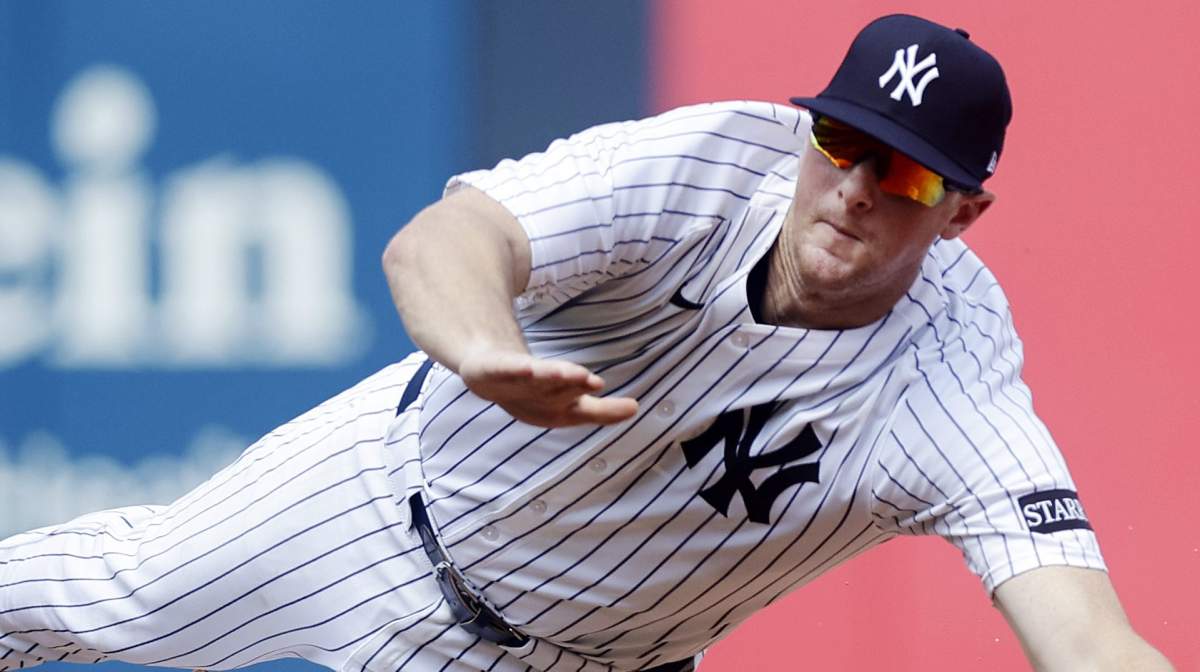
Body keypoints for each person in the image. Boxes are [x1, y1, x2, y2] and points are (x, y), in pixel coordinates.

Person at [0, 14, 1174, 672]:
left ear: (964, 212)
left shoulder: (950, 381)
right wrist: (480, 351)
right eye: (840, 141)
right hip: (374, 510)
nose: (857, 186)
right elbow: (446, 240)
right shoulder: (704, 166)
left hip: (585, 665)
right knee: (103, 592)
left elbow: (1084, 635)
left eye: (907, 175)